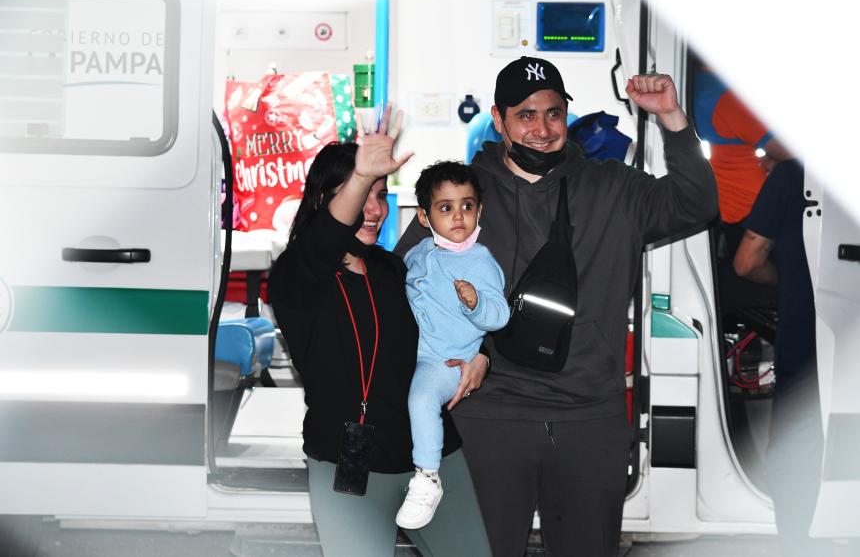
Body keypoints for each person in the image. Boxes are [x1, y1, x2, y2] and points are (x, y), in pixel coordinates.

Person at [395, 56, 717, 556]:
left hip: (588, 416)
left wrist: (672, 118)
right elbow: (409, 288)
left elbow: (696, 204)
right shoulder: (460, 197)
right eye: (525, 115)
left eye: (553, 113)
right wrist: (461, 354)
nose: (542, 129)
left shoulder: (613, 189)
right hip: (489, 417)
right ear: (499, 121)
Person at [268, 107, 491, 557]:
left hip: (431, 459)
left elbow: (456, 316)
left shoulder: (395, 267)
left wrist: (483, 354)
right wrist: (362, 173)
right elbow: (323, 239)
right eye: (360, 195)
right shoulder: (297, 275)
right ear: (325, 199)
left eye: (382, 194)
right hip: (349, 464)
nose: (374, 209)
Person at [394, 161, 508, 530]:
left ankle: (427, 476)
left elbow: (499, 318)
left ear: (480, 211)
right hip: (411, 351)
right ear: (424, 218)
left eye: (467, 206)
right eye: (446, 208)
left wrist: (476, 303)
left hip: (445, 361)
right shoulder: (419, 252)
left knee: (421, 400)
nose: (458, 216)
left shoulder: (481, 262)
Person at [733, 159, 834, 557]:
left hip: (805, 346)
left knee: (798, 456)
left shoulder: (795, 176)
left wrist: (792, 278)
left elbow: (746, 262)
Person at [693, 65, 791, 259]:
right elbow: (789, 153)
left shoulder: (698, 85)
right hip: (757, 211)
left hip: (730, 213)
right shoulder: (725, 96)